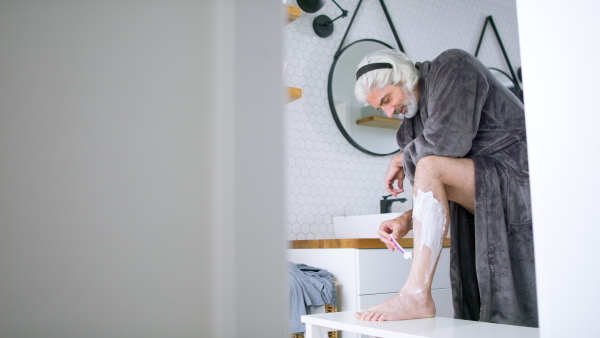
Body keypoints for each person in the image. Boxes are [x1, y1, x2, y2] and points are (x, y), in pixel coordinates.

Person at [353, 49, 538, 327]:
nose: (390, 112)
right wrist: (407, 220)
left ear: (403, 76)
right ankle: (416, 295)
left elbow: (449, 144)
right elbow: (437, 190)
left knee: (428, 165)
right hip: (491, 186)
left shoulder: (453, 66)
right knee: (429, 166)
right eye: (381, 109)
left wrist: (403, 157)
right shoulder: (409, 130)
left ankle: (416, 295)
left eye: (388, 100)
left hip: (527, 178)